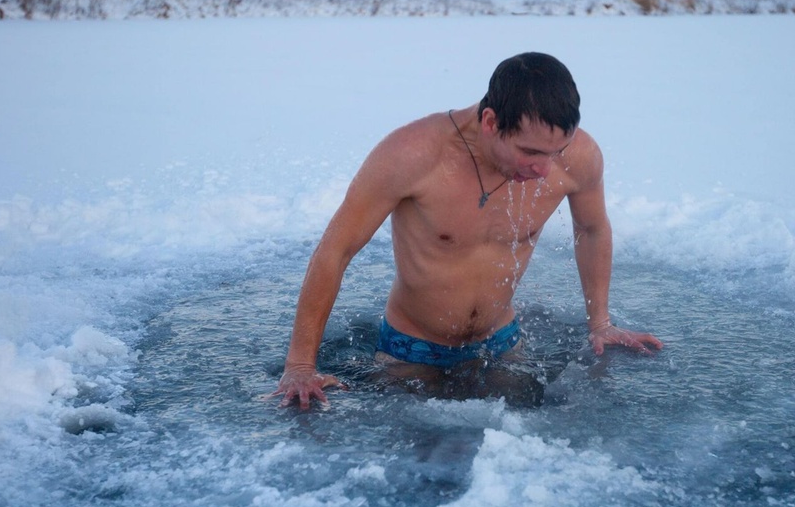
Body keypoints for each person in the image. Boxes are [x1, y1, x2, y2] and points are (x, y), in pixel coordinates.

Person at [274, 52, 662, 410]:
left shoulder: (580, 157)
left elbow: (592, 229)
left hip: (503, 345)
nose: (545, 170)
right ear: (491, 122)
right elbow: (335, 250)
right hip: (411, 350)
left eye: (556, 152)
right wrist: (300, 365)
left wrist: (601, 324)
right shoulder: (412, 156)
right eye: (530, 152)